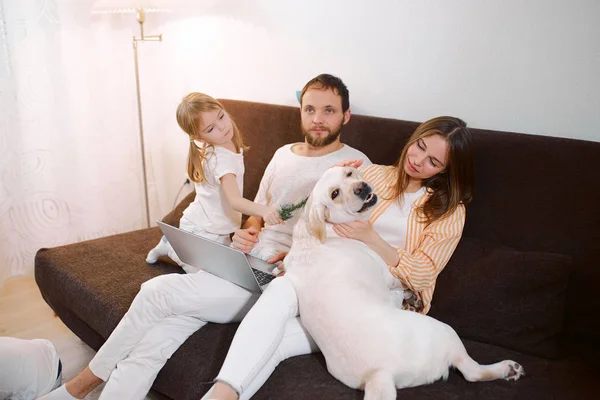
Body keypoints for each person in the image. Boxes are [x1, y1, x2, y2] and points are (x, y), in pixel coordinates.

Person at [38, 73, 370, 400]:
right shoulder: (284, 153)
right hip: (244, 261)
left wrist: (296, 259)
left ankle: (77, 388)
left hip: (280, 281)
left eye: (329, 110)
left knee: (156, 294)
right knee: (156, 340)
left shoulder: (353, 167)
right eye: (310, 109)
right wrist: (248, 231)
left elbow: (353, 239)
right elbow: (258, 210)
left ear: (346, 116)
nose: (317, 119)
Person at [208, 116, 475, 400]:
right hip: (329, 274)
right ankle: (221, 394)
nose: (419, 160)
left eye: (434, 161)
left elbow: (423, 274)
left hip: (380, 295)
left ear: (447, 170)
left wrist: (371, 237)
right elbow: (322, 224)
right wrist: (301, 257)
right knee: (280, 289)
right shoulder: (371, 175)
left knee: (280, 342)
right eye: (419, 146)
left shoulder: (449, 211)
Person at [146, 92, 283, 274]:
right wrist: (265, 211)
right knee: (204, 275)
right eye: (211, 129)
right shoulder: (221, 159)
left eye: (221, 116)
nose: (223, 127)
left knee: (232, 267)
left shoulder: (227, 144)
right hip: (200, 230)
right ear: (200, 138)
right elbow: (235, 201)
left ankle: (175, 246)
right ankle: (171, 247)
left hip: (218, 227)